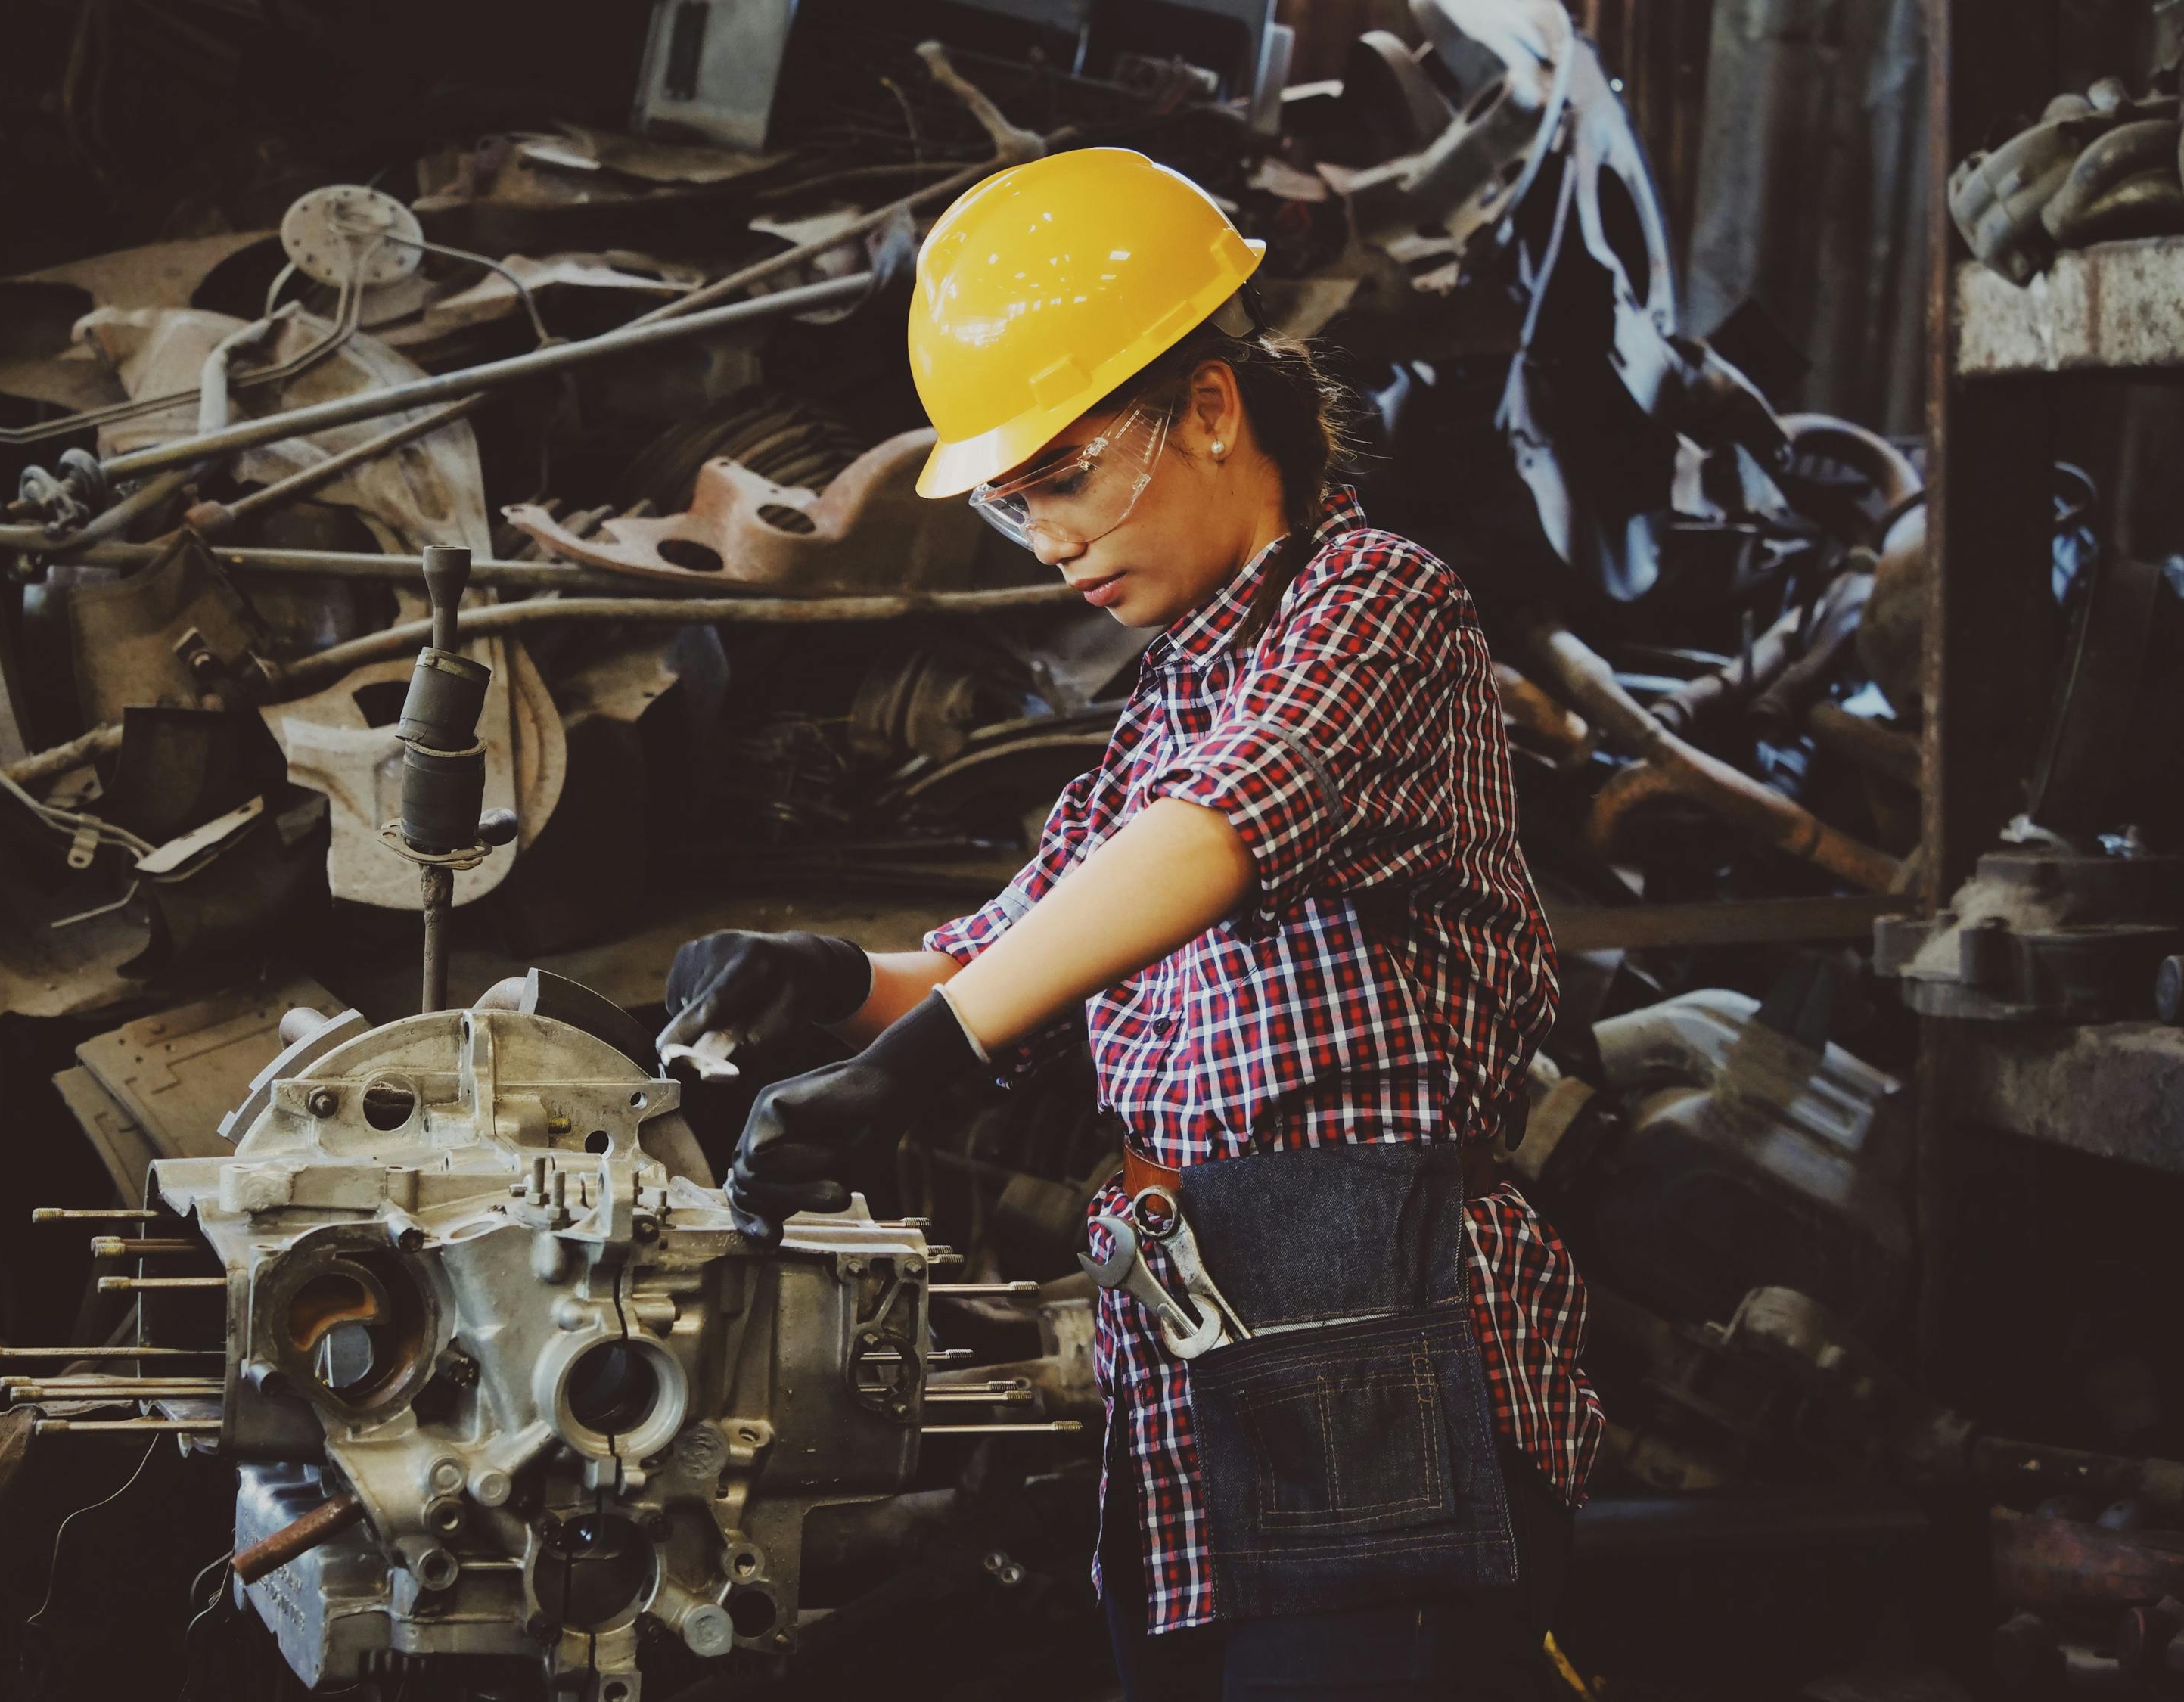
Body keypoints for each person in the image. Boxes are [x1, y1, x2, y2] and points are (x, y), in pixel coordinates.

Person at [657, 148, 1601, 1700]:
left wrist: (929, 1061)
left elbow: (1213, 835)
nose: (1045, 542)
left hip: (1375, 1327)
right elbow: (1003, 951)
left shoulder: (1375, 603)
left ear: (1212, 409)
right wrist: (824, 982)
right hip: (1196, 1343)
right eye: (1016, 504)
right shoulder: (1169, 699)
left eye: (1067, 478)